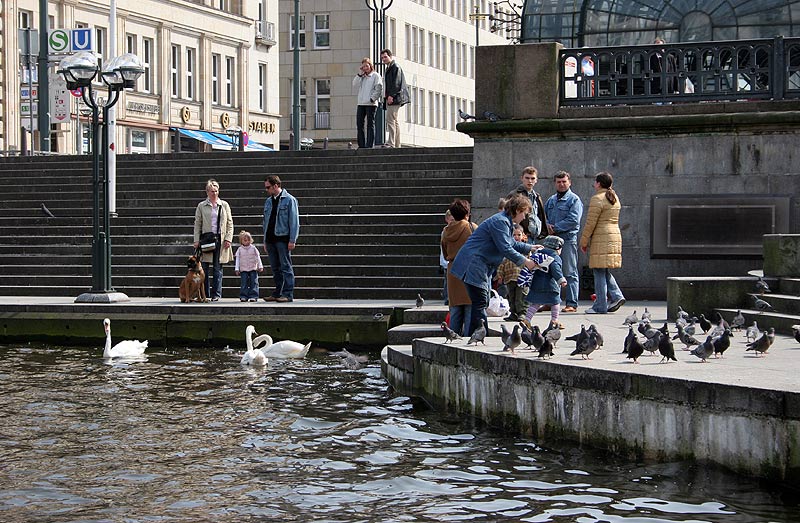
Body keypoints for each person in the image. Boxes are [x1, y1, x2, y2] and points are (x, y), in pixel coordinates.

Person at [449, 195, 538, 337]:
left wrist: (530, 248)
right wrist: (526, 262)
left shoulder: (504, 221)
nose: (524, 217)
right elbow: (505, 248)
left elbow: (511, 243)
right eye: (524, 213)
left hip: (477, 265)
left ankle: (474, 335)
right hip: (474, 264)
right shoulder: (500, 222)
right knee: (480, 301)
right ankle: (479, 335)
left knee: (479, 301)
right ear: (517, 210)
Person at [580, 172, 626, 314]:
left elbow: (590, 223)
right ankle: (617, 295)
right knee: (603, 269)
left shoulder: (597, 199)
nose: (594, 184)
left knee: (598, 271)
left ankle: (600, 305)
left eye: (595, 181)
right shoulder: (614, 198)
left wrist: (584, 240)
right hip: (613, 236)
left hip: (601, 237)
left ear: (599, 183)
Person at [544, 171, 583, 313]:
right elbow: (544, 216)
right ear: (555, 183)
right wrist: (547, 225)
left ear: (569, 182)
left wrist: (555, 227)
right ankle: (552, 301)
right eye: (559, 182)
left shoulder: (574, 200)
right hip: (551, 242)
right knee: (551, 270)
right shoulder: (551, 200)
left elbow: (574, 220)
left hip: (567, 240)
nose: (561, 184)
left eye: (564, 181)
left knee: (570, 271)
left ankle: (572, 303)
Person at [441, 199, 478, 336]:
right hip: (469, 270)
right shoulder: (471, 227)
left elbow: (445, 254)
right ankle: (467, 338)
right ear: (467, 213)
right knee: (469, 308)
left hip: (452, 271)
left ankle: (452, 338)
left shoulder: (446, 231)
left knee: (455, 310)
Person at [193, 179, 233, 301]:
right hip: (206, 239)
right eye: (211, 191)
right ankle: (205, 294)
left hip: (220, 239)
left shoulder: (224, 205)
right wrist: (196, 240)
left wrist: (228, 238)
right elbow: (197, 223)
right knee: (204, 268)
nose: (214, 193)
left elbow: (230, 223)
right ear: (207, 192)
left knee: (218, 268)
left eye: (216, 191)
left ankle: (216, 294)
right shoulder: (201, 205)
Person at [262, 175, 300, 303]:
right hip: (271, 238)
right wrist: (265, 240)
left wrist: (292, 239)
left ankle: (288, 293)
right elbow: (265, 222)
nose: (266, 190)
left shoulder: (289, 200)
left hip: (283, 238)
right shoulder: (268, 201)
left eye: (268, 187)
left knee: (285, 266)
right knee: (275, 268)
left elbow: (294, 221)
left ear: (276, 185)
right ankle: (278, 292)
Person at [522, 235, 567, 325]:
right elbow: (555, 269)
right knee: (555, 302)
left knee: (535, 303)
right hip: (551, 285)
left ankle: (527, 320)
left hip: (536, 284)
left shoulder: (537, 255)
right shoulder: (554, 257)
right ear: (557, 248)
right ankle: (554, 320)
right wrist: (561, 279)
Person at [495, 225, 528, 322]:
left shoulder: (525, 250)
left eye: (519, 235)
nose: (516, 237)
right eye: (514, 235)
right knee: (511, 296)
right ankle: (513, 313)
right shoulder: (507, 249)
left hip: (522, 277)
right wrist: (500, 275)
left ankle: (522, 313)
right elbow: (502, 263)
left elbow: (531, 262)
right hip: (510, 277)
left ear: (523, 236)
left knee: (521, 297)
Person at [507, 166, 548, 242]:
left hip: (535, 236)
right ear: (522, 178)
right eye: (527, 178)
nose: (530, 181)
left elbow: (540, 215)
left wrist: (543, 232)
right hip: (520, 236)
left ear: (536, 180)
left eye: (532, 178)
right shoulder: (515, 195)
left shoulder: (537, 196)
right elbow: (508, 215)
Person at [352, 57, 383, 149]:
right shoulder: (362, 77)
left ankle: (369, 144)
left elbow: (379, 88)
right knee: (359, 123)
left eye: (367, 66)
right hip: (361, 103)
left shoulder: (375, 76)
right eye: (363, 66)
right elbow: (354, 84)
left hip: (371, 104)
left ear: (370, 66)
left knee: (370, 124)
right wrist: (359, 74)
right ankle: (361, 144)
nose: (365, 68)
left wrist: (373, 99)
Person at [381, 48, 409, 148]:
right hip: (394, 97)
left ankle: (391, 143)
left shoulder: (394, 67)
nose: (383, 59)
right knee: (394, 121)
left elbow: (396, 83)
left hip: (394, 98)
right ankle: (396, 144)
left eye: (385, 57)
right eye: (382, 58)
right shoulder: (390, 67)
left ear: (390, 56)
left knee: (390, 120)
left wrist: (391, 96)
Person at [235, 230, 264, 302]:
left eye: (248, 240)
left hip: (253, 268)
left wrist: (260, 266)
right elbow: (237, 259)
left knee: (254, 282)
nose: (246, 241)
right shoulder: (240, 249)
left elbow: (258, 257)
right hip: (243, 268)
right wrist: (237, 268)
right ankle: (243, 296)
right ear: (241, 241)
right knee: (244, 283)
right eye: (244, 240)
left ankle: (253, 295)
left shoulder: (253, 248)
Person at [439, 209, 454, 305]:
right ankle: (447, 297)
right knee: (447, 281)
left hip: (449, 259)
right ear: (447, 219)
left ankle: (450, 297)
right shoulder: (445, 231)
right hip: (446, 260)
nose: (452, 221)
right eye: (451, 220)